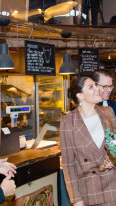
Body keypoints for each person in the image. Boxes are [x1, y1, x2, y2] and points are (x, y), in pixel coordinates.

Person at [60, 76, 116, 206]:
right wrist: (76, 199)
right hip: (89, 191)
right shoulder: (68, 122)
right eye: (91, 87)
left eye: (96, 85)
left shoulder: (108, 112)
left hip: (112, 184)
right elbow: (68, 165)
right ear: (79, 95)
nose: (98, 89)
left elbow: (114, 143)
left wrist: (113, 159)